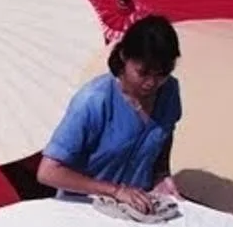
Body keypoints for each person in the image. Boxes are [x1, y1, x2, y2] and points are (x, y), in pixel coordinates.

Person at [37, 15, 182, 215]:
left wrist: (161, 175)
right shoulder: (93, 101)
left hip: (138, 205)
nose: (151, 83)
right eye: (143, 73)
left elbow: (165, 133)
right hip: (85, 208)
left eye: (161, 75)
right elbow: (48, 172)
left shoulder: (169, 91)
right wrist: (115, 191)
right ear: (124, 57)